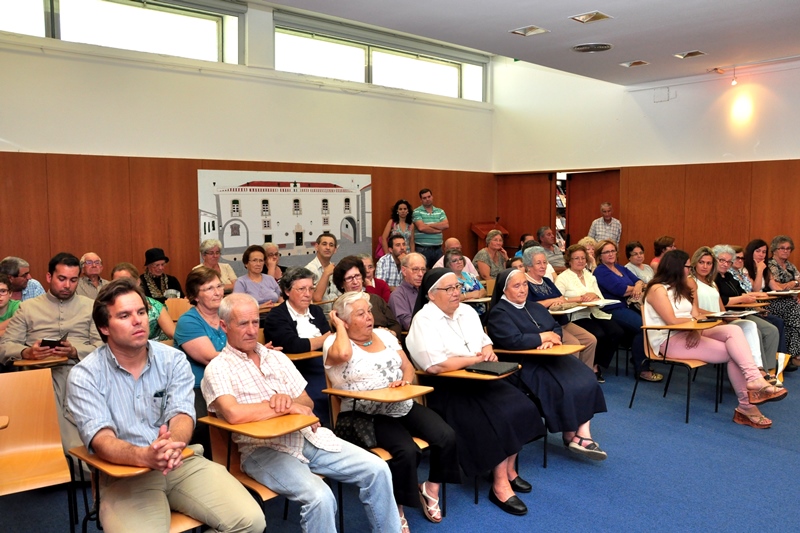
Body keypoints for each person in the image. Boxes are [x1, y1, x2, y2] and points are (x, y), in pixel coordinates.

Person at [66, 279, 265, 533]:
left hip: (180, 461)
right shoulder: (85, 375)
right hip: (124, 475)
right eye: (125, 315)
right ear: (104, 327)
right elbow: (101, 439)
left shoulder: (173, 359)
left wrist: (174, 445)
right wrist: (145, 456)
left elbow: (182, 414)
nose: (138, 321)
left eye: (141, 312)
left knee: (251, 522)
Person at [202, 293, 400, 533]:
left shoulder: (276, 357)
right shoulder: (218, 368)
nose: (252, 330)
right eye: (243, 323)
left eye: (255, 322)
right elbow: (233, 414)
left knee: (377, 469)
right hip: (262, 450)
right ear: (224, 326)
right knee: (320, 497)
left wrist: (291, 404)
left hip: (307, 438)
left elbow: (306, 402)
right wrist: (285, 406)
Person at [406, 268, 545, 516]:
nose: (455, 293)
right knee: (496, 418)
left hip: (481, 378)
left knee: (521, 406)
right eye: (448, 289)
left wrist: (488, 352)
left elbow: (485, 341)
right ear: (430, 294)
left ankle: (510, 470)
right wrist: (473, 359)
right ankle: (500, 485)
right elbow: (435, 365)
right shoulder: (423, 321)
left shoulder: (468, 312)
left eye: (457, 287)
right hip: (449, 388)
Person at [324, 292, 460, 529]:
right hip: (364, 414)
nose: (369, 317)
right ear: (344, 321)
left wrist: (404, 383)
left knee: (446, 436)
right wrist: (338, 325)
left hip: (400, 402)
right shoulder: (333, 343)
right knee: (407, 451)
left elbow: (407, 367)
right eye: (360, 313)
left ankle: (430, 489)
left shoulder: (384, 335)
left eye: (369, 311)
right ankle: (395, 508)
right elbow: (344, 354)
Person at [642, 249, 787, 429]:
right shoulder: (657, 289)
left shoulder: (683, 287)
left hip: (689, 331)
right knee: (734, 352)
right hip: (668, 339)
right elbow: (672, 320)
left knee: (733, 330)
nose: (690, 270)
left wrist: (697, 329)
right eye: (687, 266)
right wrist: (695, 326)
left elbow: (695, 315)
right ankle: (747, 405)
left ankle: (753, 381)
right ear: (676, 267)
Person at [487, 268, 608, 460]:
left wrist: (553, 339)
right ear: (504, 290)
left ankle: (582, 432)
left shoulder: (534, 306)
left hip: (550, 356)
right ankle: (572, 435)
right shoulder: (499, 313)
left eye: (525, 284)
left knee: (585, 377)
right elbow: (511, 340)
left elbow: (556, 327)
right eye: (516, 286)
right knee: (564, 386)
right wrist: (541, 337)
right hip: (525, 363)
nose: (522, 290)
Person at [0, 253, 104, 453]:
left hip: (80, 369)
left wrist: (74, 350)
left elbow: (102, 346)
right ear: (49, 278)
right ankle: (84, 462)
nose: (67, 285)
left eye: (73, 280)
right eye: (62, 279)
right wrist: (27, 352)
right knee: (52, 386)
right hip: (39, 373)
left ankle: (82, 461)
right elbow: (5, 346)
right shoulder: (28, 308)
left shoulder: (90, 306)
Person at [690, 246, 779, 376]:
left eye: (708, 263)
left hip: (719, 320)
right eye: (701, 262)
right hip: (705, 323)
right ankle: (755, 374)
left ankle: (759, 369)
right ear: (694, 263)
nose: (705, 266)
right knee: (741, 331)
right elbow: (694, 309)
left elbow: (721, 308)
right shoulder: (691, 281)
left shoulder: (712, 283)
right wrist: (718, 317)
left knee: (750, 325)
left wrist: (731, 316)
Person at [263, 267, 332, 426]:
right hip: (298, 370)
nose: (308, 294)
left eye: (310, 289)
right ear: (287, 291)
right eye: (301, 289)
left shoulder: (316, 311)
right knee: (321, 396)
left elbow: (330, 340)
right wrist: (325, 338)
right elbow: (294, 345)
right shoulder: (276, 315)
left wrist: (323, 340)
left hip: (326, 364)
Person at [593, 239, 662, 382]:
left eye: (613, 251)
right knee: (642, 327)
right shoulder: (600, 271)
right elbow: (620, 290)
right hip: (611, 309)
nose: (611, 254)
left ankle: (639, 360)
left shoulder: (620, 267)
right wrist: (636, 287)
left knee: (650, 323)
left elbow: (639, 281)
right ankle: (642, 369)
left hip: (626, 306)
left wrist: (637, 286)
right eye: (606, 252)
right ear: (600, 256)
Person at [174, 267, 226, 455]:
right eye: (210, 288)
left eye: (219, 286)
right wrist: (247, 355)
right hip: (197, 387)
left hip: (229, 381)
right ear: (195, 295)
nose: (218, 292)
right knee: (206, 424)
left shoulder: (228, 314)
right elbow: (210, 357)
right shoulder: (188, 321)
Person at [521, 246, 598, 371]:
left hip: (561, 320)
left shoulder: (547, 281)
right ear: (529, 266)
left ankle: (586, 374)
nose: (543, 266)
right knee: (574, 343)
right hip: (543, 325)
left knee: (590, 340)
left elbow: (562, 299)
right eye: (538, 263)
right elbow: (529, 306)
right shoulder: (525, 283)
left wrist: (556, 302)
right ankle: (569, 378)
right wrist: (551, 301)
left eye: (545, 262)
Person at [713, 244, 787, 370]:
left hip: (742, 313)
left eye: (728, 262)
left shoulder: (729, 276)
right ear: (714, 260)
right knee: (756, 332)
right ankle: (757, 371)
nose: (725, 264)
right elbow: (721, 301)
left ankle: (769, 370)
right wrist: (742, 299)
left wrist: (754, 298)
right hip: (728, 315)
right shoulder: (713, 278)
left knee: (772, 330)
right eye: (722, 261)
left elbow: (742, 292)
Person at [745, 238, 800, 367]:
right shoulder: (747, 269)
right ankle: (789, 356)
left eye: (764, 252)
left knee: (795, 311)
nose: (761, 255)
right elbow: (756, 289)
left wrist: (792, 289)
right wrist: (759, 270)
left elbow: (778, 288)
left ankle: (787, 356)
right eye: (758, 251)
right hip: (761, 304)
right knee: (795, 311)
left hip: (771, 301)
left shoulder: (768, 268)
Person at [332, 256, 401, 337]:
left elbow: (395, 324)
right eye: (349, 278)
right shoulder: (340, 305)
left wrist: (390, 333)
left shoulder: (376, 299)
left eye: (357, 276)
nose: (355, 281)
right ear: (341, 284)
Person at [110, 263, 175, 341]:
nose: (121, 286)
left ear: (138, 282)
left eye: (126, 281)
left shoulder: (155, 306)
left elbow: (173, 334)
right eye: (117, 282)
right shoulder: (109, 307)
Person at [765, 235, 800, 368]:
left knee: (795, 312)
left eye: (788, 249)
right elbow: (777, 288)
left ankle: (792, 354)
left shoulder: (790, 266)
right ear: (774, 250)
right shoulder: (770, 265)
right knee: (796, 311)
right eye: (782, 248)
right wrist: (792, 284)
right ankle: (794, 355)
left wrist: (793, 283)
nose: (786, 251)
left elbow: (798, 281)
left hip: (789, 302)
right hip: (772, 302)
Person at [233, 244, 282, 323]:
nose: (258, 264)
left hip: (276, 316)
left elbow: (281, 299)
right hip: (253, 320)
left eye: (261, 260)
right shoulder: (241, 282)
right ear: (246, 263)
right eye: (254, 260)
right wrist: (260, 307)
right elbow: (237, 308)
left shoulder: (270, 279)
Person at [388, 253, 426, 331]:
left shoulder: (428, 291)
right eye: (415, 269)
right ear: (404, 271)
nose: (420, 274)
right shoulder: (398, 296)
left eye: (423, 270)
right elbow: (409, 325)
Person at [413, 189, 449, 269]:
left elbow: (446, 225)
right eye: (424, 198)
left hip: (438, 249)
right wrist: (438, 230)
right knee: (421, 273)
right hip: (422, 249)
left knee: (438, 274)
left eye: (429, 196)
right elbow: (421, 227)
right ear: (421, 200)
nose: (427, 199)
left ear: (432, 197)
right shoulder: (416, 212)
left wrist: (428, 225)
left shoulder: (440, 211)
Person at [306, 233, 341, 314]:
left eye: (331, 245)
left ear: (335, 250)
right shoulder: (309, 270)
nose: (328, 248)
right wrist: (326, 274)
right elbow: (316, 298)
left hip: (336, 315)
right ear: (317, 247)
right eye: (324, 244)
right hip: (318, 316)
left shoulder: (335, 269)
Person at [443, 249, 486, 315]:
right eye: (455, 261)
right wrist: (471, 294)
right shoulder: (448, 278)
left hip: (481, 311)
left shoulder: (470, 275)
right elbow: (451, 298)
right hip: (461, 313)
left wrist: (476, 294)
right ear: (448, 264)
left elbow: (483, 291)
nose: (459, 262)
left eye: (461, 259)